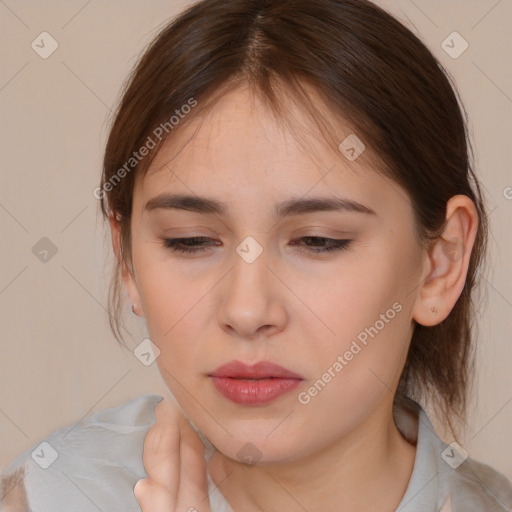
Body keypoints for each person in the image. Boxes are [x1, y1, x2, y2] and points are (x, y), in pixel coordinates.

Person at [1, 0, 511, 510]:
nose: (246, 311)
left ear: (440, 265)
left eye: (318, 241)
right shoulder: (47, 495)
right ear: (128, 260)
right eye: (189, 240)